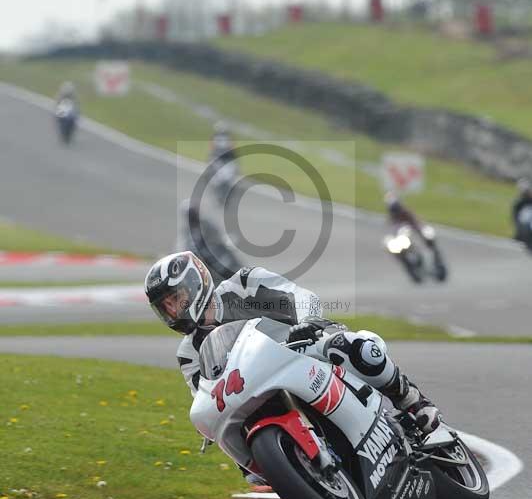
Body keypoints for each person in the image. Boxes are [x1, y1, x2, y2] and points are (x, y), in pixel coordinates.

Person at [144, 252, 442, 483]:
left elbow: (300, 296)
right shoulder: (188, 354)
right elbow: (205, 393)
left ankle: (413, 401)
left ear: (197, 284)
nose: (172, 311)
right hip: (258, 384)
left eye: (175, 299)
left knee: (356, 348)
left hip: (303, 345)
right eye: (165, 307)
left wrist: (306, 324)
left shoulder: (245, 284)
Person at [178, 199, 241, 286]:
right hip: (200, 258)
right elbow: (183, 246)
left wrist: (222, 242)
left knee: (229, 258)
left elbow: (218, 235)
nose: (192, 216)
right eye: (190, 214)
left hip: (215, 252)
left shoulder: (207, 223)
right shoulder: (187, 231)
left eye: (193, 213)